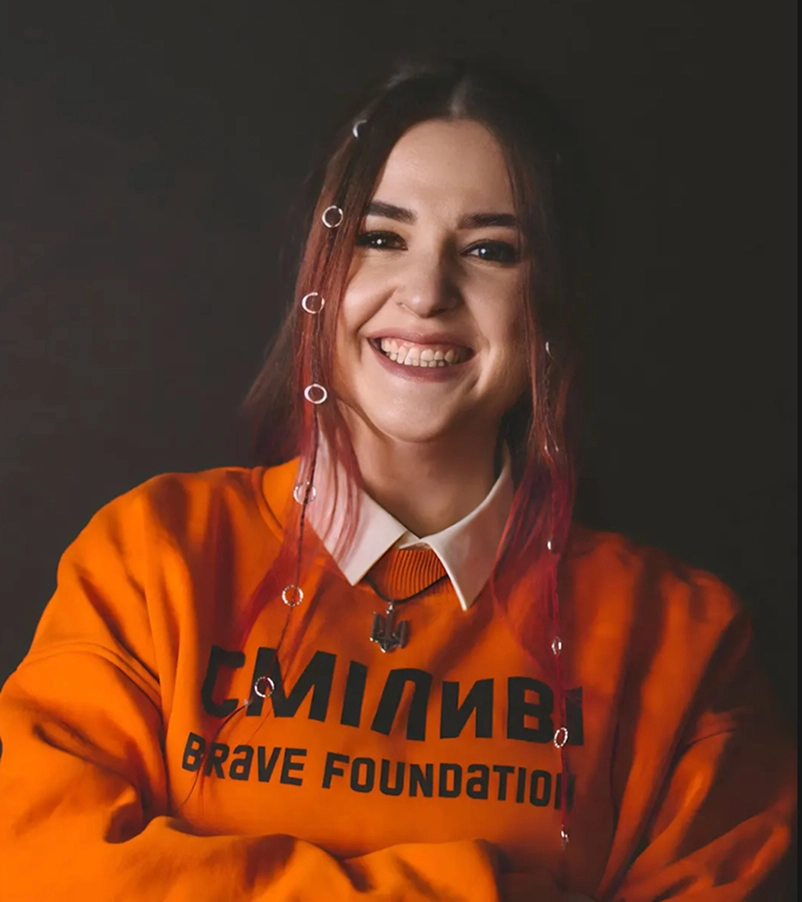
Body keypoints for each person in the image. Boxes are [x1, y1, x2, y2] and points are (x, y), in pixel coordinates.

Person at [0, 59, 795, 902]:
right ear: (320, 275)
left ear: (556, 303)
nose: (425, 294)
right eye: (380, 238)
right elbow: (43, 867)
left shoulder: (683, 639)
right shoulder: (151, 557)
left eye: (492, 250)